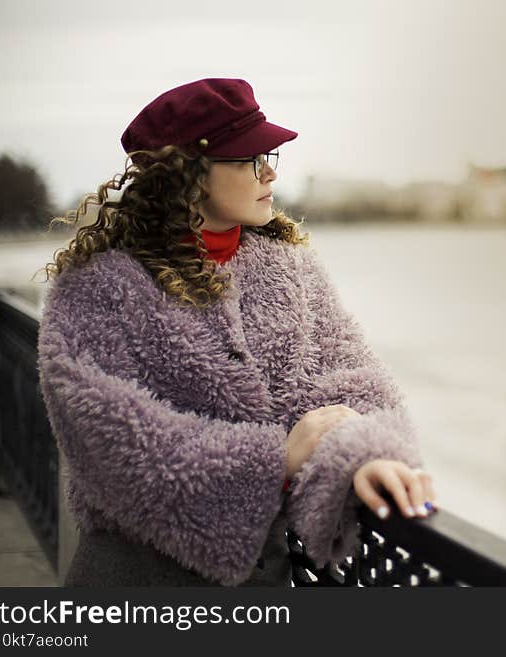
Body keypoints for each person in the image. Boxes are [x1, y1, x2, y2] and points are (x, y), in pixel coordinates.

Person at [37, 77, 437, 586]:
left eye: (270, 155)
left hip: (264, 579)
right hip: (138, 581)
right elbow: (106, 433)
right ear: (189, 173)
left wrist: (364, 454)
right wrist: (275, 459)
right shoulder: (100, 283)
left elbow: (351, 377)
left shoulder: (292, 268)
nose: (269, 170)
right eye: (250, 158)